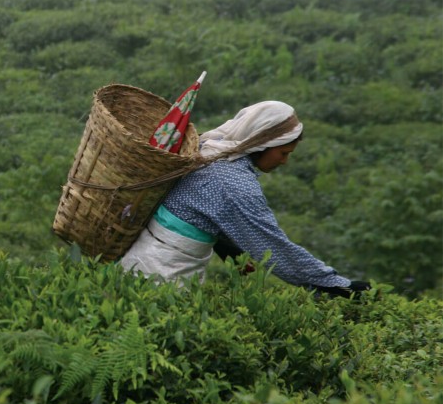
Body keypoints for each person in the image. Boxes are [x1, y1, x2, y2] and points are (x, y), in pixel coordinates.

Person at [120, 100, 371, 298]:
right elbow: (272, 245)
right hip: (162, 271)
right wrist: (334, 283)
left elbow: (198, 208)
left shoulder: (210, 148)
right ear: (263, 143)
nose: (285, 161)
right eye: (283, 153)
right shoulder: (235, 184)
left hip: (137, 259)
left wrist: (231, 251)